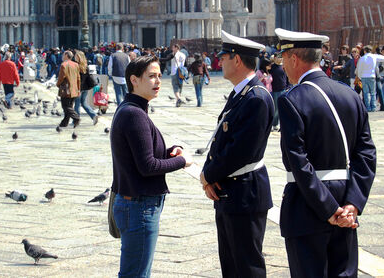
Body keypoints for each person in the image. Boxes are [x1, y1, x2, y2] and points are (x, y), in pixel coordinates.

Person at [275, 28, 377, 278]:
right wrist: (352, 204)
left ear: (294, 59)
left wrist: (329, 209)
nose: (283, 67)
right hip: (346, 201)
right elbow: (366, 154)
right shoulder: (350, 95)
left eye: (284, 60)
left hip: (308, 205)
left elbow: (298, 162)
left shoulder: (292, 99)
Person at [200, 31, 275, 278]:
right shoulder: (241, 93)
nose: (219, 62)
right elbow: (222, 138)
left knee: (246, 265)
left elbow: (241, 151)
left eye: (224, 57)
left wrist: (207, 175)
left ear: (237, 60)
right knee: (231, 264)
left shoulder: (256, 98)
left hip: (245, 191)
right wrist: (210, 176)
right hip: (230, 189)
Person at [111, 55, 192, 277]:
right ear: (134, 80)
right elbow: (147, 165)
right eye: (152, 77)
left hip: (134, 204)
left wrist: (169, 151)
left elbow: (140, 154)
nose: (158, 81)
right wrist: (182, 161)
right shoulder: (134, 114)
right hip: (139, 207)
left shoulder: (131, 109)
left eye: (159, 76)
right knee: (136, 274)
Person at [356, 45, 384, 112]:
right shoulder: (374, 57)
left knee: (366, 93)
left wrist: (360, 77)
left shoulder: (362, 58)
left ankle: (368, 107)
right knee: (373, 93)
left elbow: (359, 69)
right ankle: (373, 107)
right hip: (372, 76)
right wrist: (381, 66)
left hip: (364, 76)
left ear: (364, 51)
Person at [73, 50, 98, 125]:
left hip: (78, 88)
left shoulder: (76, 66)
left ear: (78, 57)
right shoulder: (85, 66)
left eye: (76, 56)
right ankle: (94, 115)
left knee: (77, 104)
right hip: (85, 88)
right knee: (84, 103)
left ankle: (76, 120)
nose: (74, 57)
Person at [57, 50, 81, 128]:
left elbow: (61, 77)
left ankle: (76, 118)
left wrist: (58, 84)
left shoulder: (63, 65)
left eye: (63, 55)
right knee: (70, 106)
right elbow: (78, 78)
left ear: (66, 55)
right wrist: (78, 88)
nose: (62, 56)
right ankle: (64, 123)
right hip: (74, 89)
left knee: (65, 106)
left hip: (66, 89)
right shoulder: (76, 64)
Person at [270, 55, 287, 131]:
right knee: (276, 108)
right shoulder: (272, 67)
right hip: (275, 90)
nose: (280, 59)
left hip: (283, 89)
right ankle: (274, 124)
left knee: (284, 108)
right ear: (275, 58)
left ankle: (282, 125)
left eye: (281, 57)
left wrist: (288, 87)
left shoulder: (284, 66)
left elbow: (287, 77)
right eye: (278, 57)